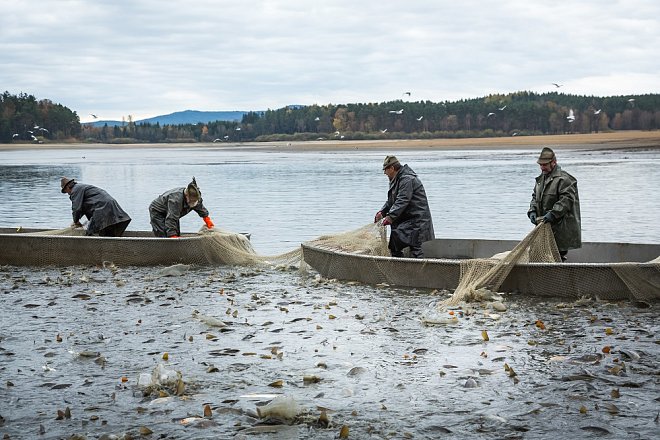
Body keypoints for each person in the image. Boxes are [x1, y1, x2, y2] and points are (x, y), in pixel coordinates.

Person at [374, 155, 435, 258]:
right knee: (394, 246)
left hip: (417, 221)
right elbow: (391, 201)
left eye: (385, 170)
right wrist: (382, 212)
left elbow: (402, 200)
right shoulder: (396, 179)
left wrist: (390, 217)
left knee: (416, 249)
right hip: (407, 221)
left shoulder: (407, 179)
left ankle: (418, 272)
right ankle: (402, 269)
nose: (384, 173)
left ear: (392, 168)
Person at [527, 147, 581, 261]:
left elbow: (566, 201)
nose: (542, 167)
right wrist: (532, 210)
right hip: (544, 228)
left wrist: (553, 214)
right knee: (543, 257)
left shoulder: (565, 179)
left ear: (554, 163)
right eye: (540, 165)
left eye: (545, 165)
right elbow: (534, 196)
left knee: (558, 257)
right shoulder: (541, 179)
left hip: (561, 229)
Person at [60, 177, 131, 237]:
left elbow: (76, 208)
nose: (68, 193)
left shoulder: (75, 190)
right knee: (107, 233)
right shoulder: (81, 187)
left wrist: (76, 221)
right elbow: (82, 208)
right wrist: (76, 220)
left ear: (67, 186)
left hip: (102, 208)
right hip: (110, 206)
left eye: (66, 191)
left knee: (90, 233)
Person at [149, 177, 215, 238]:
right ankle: (165, 248)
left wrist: (206, 218)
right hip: (158, 211)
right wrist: (172, 236)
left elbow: (199, 206)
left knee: (176, 233)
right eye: (192, 201)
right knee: (164, 234)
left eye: (196, 201)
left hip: (172, 213)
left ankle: (173, 246)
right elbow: (171, 218)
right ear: (186, 196)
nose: (194, 202)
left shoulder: (196, 197)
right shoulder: (176, 200)